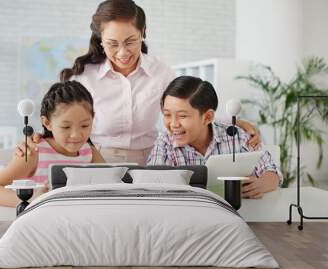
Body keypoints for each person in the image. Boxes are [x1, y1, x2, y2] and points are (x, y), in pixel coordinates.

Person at [15, 0, 261, 165]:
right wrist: (37, 139)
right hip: (100, 161)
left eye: (130, 41)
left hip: (153, 161)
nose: (122, 52)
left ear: (143, 33)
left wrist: (235, 122)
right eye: (112, 44)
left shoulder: (161, 72)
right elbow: (62, 121)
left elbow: (188, 109)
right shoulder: (85, 77)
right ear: (100, 40)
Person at [147, 76, 282, 199]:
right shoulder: (165, 143)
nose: (174, 124)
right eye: (167, 115)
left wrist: (261, 183)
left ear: (207, 117)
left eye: (182, 116)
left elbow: (273, 172)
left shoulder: (237, 137)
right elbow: (152, 185)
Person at [0, 81, 105, 207]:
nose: (76, 135)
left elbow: (112, 185)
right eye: (66, 126)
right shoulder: (34, 152)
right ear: (47, 123)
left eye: (85, 125)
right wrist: (33, 200)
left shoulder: (89, 153)